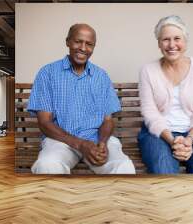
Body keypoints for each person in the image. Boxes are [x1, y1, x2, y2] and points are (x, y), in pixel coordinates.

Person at [27, 23, 135, 174]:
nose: (83, 48)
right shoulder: (47, 73)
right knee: (47, 166)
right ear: (68, 42)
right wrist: (80, 144)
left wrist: (102, 143)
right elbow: (44, 122)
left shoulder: (101, 76)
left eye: (89, 44)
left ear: (93, 47)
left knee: (124, 168)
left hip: (97, 141)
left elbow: (108, 120)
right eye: (78, 41)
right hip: (61, 142)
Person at [138, 15, 193, 174]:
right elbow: (150, 113)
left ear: (185, 41)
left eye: (177, 38)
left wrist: (189, 140)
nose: (171, 45)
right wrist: (173, 141)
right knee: (164, 170)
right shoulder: (147, 70)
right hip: (158, 133)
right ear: (159, 43)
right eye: (165, 39)